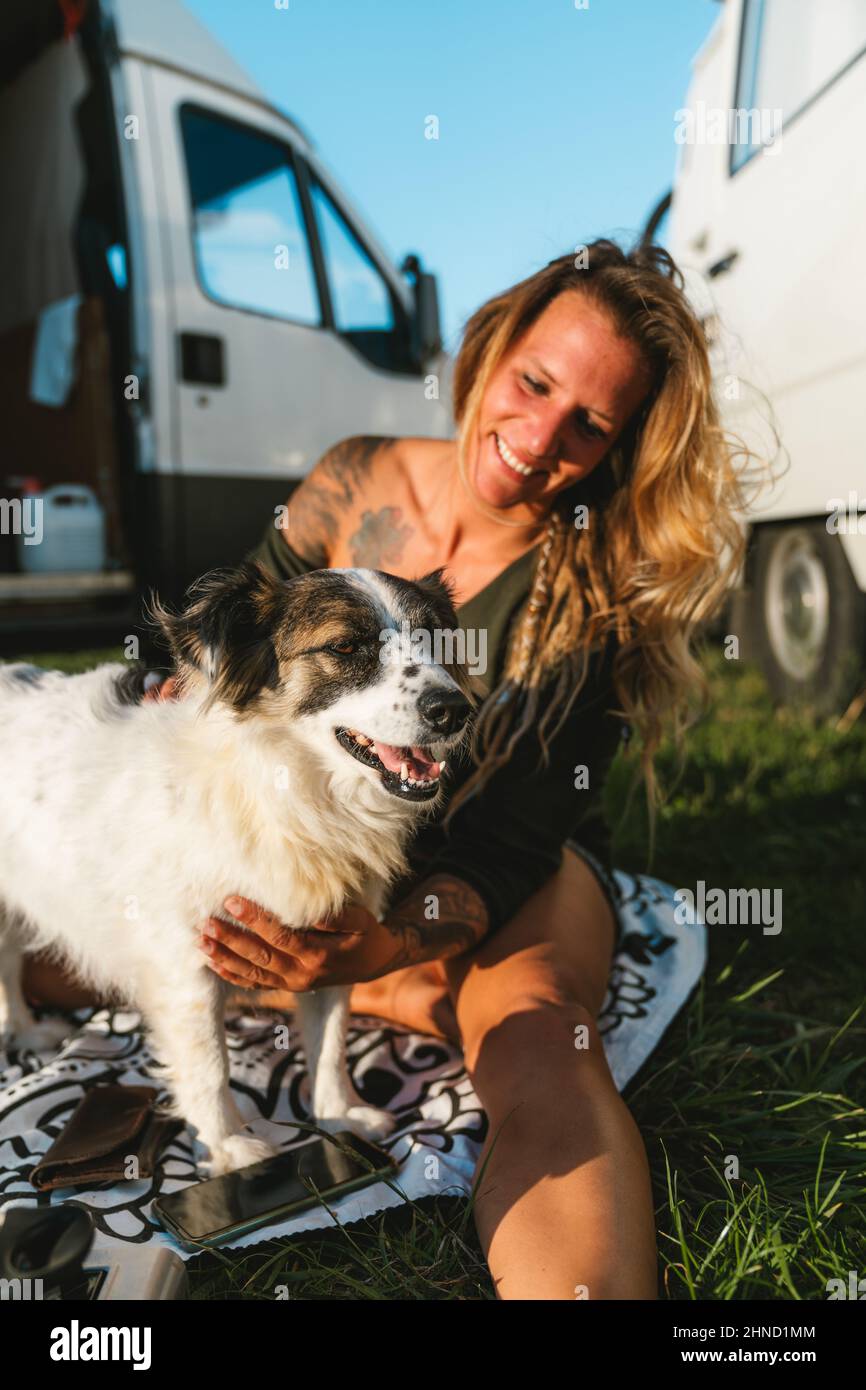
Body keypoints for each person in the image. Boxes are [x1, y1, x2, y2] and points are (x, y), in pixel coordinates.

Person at [24, 239, 757, 1300]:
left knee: (535, 1032)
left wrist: (380, 945)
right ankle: (368, 995)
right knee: (81, 946)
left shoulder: (595, 595)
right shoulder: (354, 473)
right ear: (489, 349)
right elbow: (238, 649)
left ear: (615, 446)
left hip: (489, 866)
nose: (539, 435)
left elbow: (511, 843)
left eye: (589, 423)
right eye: (533, 382)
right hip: (320, 834)